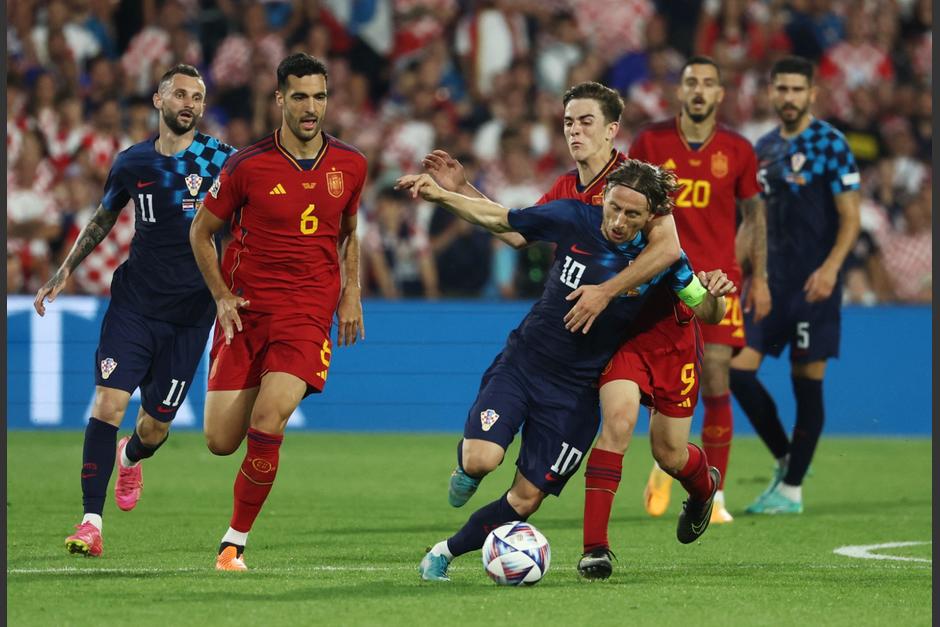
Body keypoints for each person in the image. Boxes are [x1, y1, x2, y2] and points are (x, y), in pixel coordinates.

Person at [422, 82, 726, 580]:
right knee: (618, 422)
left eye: (586, 121)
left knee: (669, 452)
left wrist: (613, 292)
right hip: (598, 344)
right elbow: (518, 229)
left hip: (656, 332)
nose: (575, 130)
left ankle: (698, 488)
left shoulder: (637, 185)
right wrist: (461, 190)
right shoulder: (569, 194)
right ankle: (595, 549)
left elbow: (670, 253)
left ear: (611, 130)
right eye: (568, 122)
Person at [34, 64, 236, 557]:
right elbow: (104, 217)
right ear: (158, 100)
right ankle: (90, 523)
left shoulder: (223, 160)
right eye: (181, 94)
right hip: (135, 305)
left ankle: (131, 455)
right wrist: (64, 270)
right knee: (107, 404)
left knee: (155, 426)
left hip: (191, 316)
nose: (190, 103)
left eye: (198, 97)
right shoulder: (133, 162)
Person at [189, 53, 366, 571]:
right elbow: (200, 232)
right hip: (246, 312)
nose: (311, 108)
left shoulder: (351, 164)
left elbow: (350, 230)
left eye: (319, 96)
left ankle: (233, 543)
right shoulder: (247, 164)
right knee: (221, 442)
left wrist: (351, 292)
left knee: (271, 419)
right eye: (300, 97)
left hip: (307, 314)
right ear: (280, 100)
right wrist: (221, 295)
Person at [629, 56, 770, 524]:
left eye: (709, 83)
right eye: (692, 82)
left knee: (716, 378)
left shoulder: (738, 149)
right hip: (663, 280)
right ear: (680, 90)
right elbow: (629, 205)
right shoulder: (651, 141)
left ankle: (717, 492)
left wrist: (754, 273)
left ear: (720, 94)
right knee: (655, 381)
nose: (700, 90)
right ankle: (666, 455)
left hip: (717, 284)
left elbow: (754, 217)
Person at [729, 55, 861, 514]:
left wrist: (831, 269)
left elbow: (851, 218)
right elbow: (752, 220)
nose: (787, 97)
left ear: (811, 94)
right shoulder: (761, 148)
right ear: (771, 92)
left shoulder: (831, 144)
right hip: (768, 284)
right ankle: (789, 459)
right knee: (737, 371)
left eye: (795, 90)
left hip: (814, 285)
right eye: (780, 89)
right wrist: (740, 272)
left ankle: (791, 490)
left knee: (806, 380)